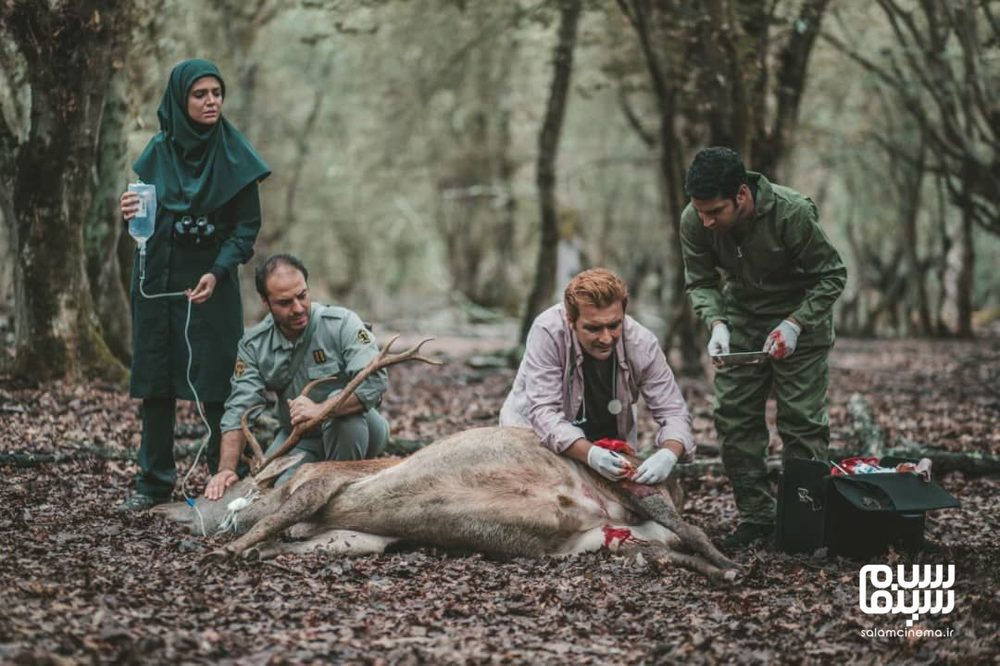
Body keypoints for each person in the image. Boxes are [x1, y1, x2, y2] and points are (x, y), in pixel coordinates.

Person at [117, 59, 271, 512]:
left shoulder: (236, 155)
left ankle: (224, 475)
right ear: (180, 100)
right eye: (200, 94)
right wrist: (129, 209)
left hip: (212, 282)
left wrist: (218, 271)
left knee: (219, 380)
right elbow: (142, 219)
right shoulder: (157, 152)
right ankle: (153, 482)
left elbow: (245, 231)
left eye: (216, 93)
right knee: (156, 378)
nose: (211, 102)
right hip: (158, 282)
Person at [679, 146, 846, 548]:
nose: (706, 220)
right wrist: (717, 323)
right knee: (734, 418)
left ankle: (803, 521)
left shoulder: (792, 213)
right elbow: (701, 281)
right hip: (741, 321)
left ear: (741, 195)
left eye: (715, 211)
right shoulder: (695, 220)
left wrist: (795, 324)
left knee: (802, 422)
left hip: (799, 320)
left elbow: (832, 275)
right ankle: (756, 517)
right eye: (700, 211)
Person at [204, 254, 390, 501]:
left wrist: (322, 409)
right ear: (265, 302)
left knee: (341, 414)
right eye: (285, 302)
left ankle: (343, 495)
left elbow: (375, 381)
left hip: (359, 428)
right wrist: (226, 469)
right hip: (300, 439)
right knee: (273, 494)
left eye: (302, 295)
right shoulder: (254, 345)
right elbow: (240, 407)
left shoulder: (342, 323)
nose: (298, 308)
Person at [500, 268, 693, 484]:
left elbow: (673, 410)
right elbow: (544, 412)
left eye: (614, 325)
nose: (606, 338)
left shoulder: (642, 343)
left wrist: (669, 453)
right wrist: (590, 454)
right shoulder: (548, 331)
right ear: (571, 321)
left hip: (608, 444)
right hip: (535, 438)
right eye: (593, 328)